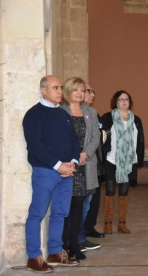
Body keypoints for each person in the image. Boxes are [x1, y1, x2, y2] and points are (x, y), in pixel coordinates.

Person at [23, 75, 80, 273]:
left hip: (66, 173)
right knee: (37, 214)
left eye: (60, 87)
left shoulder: (63, 114)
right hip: (45, 172)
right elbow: (35, 146)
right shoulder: (33, 114)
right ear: (44, 90)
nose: (59, 91)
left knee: (60, 213)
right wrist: (58, 166)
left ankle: (55, 252)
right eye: (55, 88)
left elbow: (74, 140)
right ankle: (33, 257)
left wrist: (72, 163)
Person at [60, 77, 100, 260]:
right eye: (76, 89)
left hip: (84, 166)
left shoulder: (90, 112)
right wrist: (70, 157)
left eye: (82, 90)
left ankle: (75, 243)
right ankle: (64, 244)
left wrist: (86, 154)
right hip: (66, 166)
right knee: (65, 206)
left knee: (78, 205)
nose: (79, 93)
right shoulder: (59, 111)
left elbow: (95, 138)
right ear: (68, 91)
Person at [102, 90, 145, 234]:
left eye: (126, 99)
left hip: (128, 161)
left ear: (130, 102)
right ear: (116, 102)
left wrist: (139, 158)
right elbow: (102, 138)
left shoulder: (136, 120)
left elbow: (139, 141)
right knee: (109, 190)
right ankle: (107, 223)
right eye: (120, 99)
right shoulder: (108, 118)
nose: (124, 101)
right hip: (111, 159)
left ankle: (122, 223)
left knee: (124, 192)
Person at [82, 83, 107, 240]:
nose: (93, 95)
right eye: (89, 91)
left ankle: (89, 227)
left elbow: (99, 137)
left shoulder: (94, 113)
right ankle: (80, 232)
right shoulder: (73, 113)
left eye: (93, 91)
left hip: (96, 162)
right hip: (84, 162)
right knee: (83, 201)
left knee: (94, 199)